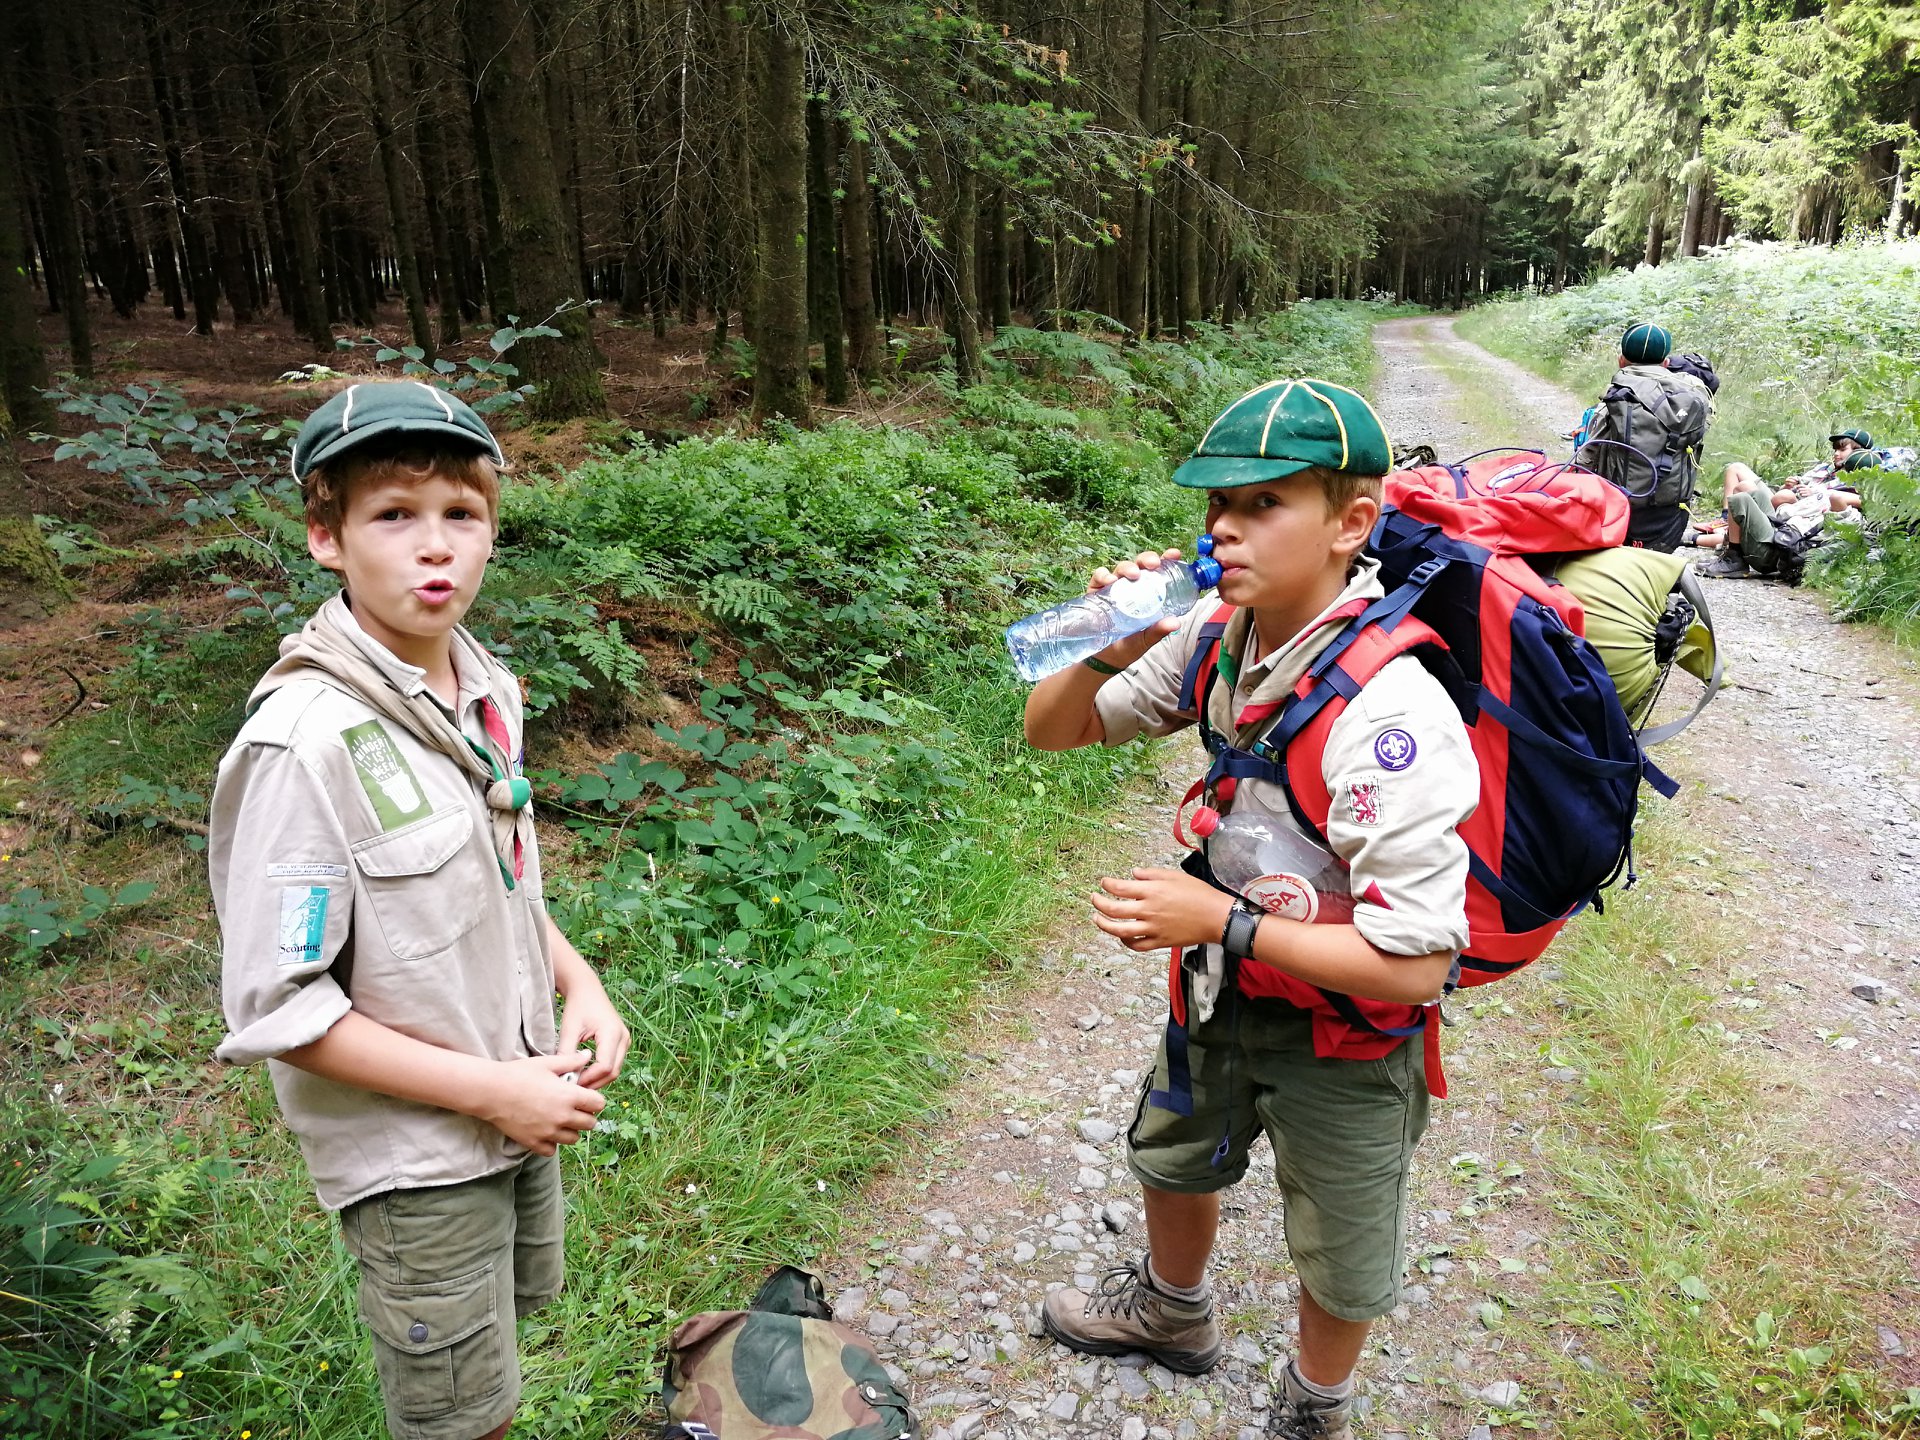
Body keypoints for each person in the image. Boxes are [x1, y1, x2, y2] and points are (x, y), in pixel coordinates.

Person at [1022, 379, 1480, 1440]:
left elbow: (1417, 967)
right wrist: (1109, 643)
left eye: (1265, 503)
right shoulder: (1217, 634)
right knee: (1173, 1155)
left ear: (1351, 522)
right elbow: (1053, 731)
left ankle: (1315, 1407)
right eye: (1218, 504)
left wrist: (1215, 920)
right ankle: (1174, 1316)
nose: (1225, 527)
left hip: (1349, 1032)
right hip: (1221, 992)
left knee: (1345, 1237)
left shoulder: (1392, 710)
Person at [211, 382, 631, 1440]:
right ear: (327, 537)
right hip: (420, 1152)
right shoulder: (303, 743)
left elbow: (495, 875)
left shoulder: (484, 689)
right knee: (455, 1417)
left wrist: (579, 982)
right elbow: (281, 1007)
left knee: (496, 1359)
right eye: (394, 515)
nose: (433, 547)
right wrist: (490, 1092)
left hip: (512, 1094)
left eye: (462, 513)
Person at [1575, 321, 1714, 551]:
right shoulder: (1691, 394)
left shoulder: (1617, 398)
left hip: (1621, 510)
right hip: (1671, 514)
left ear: (1621, 361)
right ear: (1666, 363)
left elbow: (1587, 458)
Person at [1695, 428, 1873, 579]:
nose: (1836, 453)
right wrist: (1790, 485)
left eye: (1842, 450)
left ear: (1858, 453)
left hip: (1784, 538)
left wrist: (1813, 494)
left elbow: (1840, 500)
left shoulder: (1857, 488)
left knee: (1743, 499)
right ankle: (1727, 542)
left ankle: (1733, 557)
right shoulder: (1825, 469)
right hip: (1785, 518)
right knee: (1744, 486)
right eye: (1835, 449)